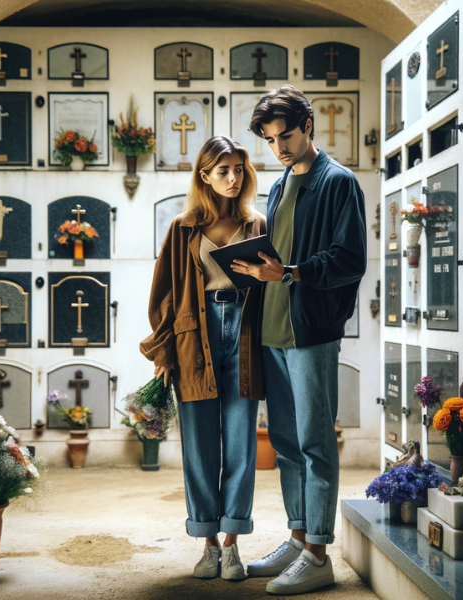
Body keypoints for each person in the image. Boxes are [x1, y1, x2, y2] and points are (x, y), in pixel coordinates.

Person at [231, 85, 367, 595]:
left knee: (314, 442)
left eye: (285, 135)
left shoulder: (338, 182)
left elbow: (349, 259)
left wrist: (288, 273)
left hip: (310, 333)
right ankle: (296, 535)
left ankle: (318, 552)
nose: (279, 147)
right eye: (270, 140)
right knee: (286, 443)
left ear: (308, 127)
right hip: (272, 330)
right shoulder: (282, 182)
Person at [140, 136, 265, 581]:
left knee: (240, 446)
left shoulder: (256, 226)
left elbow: (269, 290)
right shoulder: (183, 227)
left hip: (245, 336)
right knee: (198, 448)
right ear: (205, 176)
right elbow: (164, 294)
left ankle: (232, 544)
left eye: (238, 170)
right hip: (196, 336)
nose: (233, 179)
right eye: (223, 171)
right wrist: (164, 351)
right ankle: (207, 543)